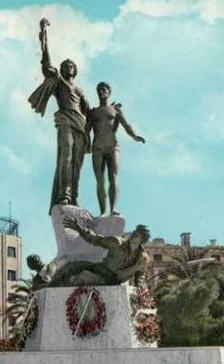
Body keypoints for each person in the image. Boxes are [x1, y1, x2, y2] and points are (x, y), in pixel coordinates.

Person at [28, 18, 91, 213]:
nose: (68, 68)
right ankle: (64, 194)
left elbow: (90, 112)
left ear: (76, 70)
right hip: (64, 121)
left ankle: (74, 196)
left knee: (77, 164)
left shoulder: (80, 91)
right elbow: (47, 65)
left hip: (80, 126)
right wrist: (44, 36)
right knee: (66, 158)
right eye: (65, 66)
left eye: (71, 66)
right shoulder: (59, 82)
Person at [87, 82, 145, 216]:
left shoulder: (115, 110)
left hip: (112, 146)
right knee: (100, 179)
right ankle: (103, 211)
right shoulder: (93, 112)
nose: (101, 92)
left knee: (113, 177)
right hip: (97, 148)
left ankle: (113, 209)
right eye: (99, 90)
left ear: (109, 92)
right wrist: (87, 145)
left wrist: (135, 136)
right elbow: (86, 130)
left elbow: (126, 125)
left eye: (104, 89)